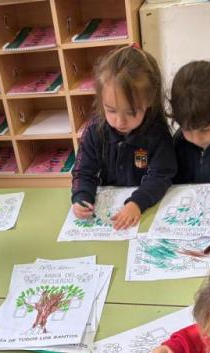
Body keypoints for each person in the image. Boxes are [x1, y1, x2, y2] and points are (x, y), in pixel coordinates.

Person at [71, 44, 176, 230]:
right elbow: (83, 171)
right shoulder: (95, 131)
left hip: (145, 212)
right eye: (111, 110)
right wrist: (81, 196)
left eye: (131, 112)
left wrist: (137, 203)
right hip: (107, 210)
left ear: (149, 101)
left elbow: (162, 175)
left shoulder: (157, 134)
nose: (119, 122)